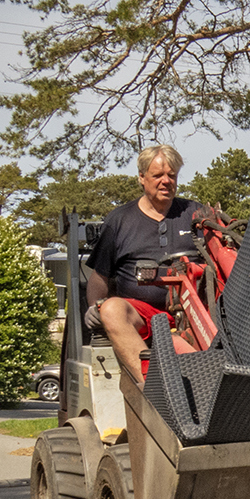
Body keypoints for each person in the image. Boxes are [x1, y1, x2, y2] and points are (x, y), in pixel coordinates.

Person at [84, 145, 199, 383]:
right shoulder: (120, 220)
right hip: (142, 316)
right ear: (141, 177)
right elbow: (99, 276)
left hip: (195, 313)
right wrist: (94, 307)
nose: (166, 181)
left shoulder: (196, 214)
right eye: (158, 175)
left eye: (171, 175)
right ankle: (151, 387)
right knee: (111, 309)